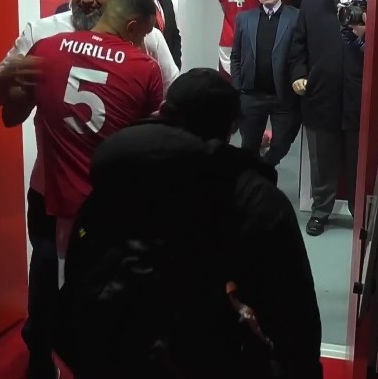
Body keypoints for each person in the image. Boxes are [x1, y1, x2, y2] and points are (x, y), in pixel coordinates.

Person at [0, 0, 178, 379]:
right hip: (51, 188)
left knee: (110, 285)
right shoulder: (43, 34)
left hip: (114, 196)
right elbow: (4, 103)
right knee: (48, 276)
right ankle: (41, 358)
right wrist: (10, 81)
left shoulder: (147, 40)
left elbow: (170, 100)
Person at [54, 68, 323, 379]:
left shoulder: (119, 172)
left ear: (163, 111)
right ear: (232, 127)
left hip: (107, 355)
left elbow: (78, 270)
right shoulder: (255, 199)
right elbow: (295, 317)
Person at [25, 0, 164, 255]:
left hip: (48, 200)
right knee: (99, 289)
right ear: (132, 27)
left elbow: (12, 108)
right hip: (107, 207)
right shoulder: (144, 67)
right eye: (144, 35)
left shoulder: (47, 48)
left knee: (46, 290)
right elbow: (148, 143)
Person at [288, 0, 368, 237]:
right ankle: (321, 210)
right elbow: (297, 47)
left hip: (360, 97)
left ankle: (362, 216)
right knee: (321, 161)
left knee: (360, 163)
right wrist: (298, 73)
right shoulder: (312, 2)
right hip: (321, 96)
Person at [230, 0, 302, 167]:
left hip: (284, 96)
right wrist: (238, 87)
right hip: (252, 95)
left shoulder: (296, 17)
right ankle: (253, 184)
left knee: (282, 144)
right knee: (249, 146)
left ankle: (265, 168)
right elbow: (235, 55)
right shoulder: (244, 19)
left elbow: (304, 53)